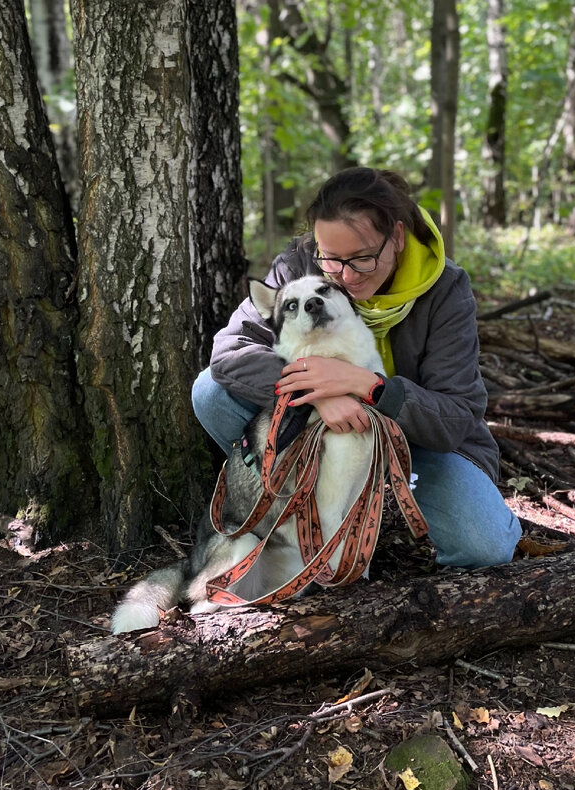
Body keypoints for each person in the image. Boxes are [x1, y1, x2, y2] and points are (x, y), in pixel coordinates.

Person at [191, 167, 521, 568]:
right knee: (211, 392)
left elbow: (456, 415)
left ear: (396, 238)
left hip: (413, 442)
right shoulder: (300, 264)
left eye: (361, 259)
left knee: (485, 547)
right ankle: (298, 512)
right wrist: (317, 394)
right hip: (322, 433)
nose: (345, 276)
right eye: (330, 258)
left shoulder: (446, 290)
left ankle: (369, 507)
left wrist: (370, 388)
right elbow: (230, 350)